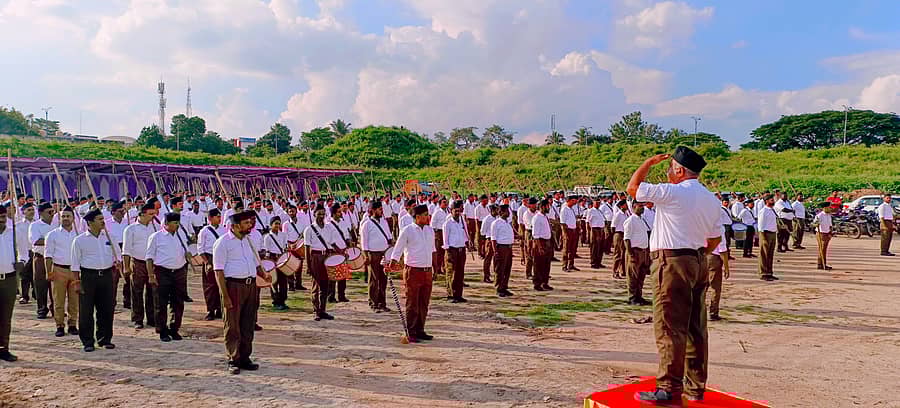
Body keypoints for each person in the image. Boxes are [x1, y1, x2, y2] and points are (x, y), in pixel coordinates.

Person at [627, 146, 721, 403]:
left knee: (670, 326)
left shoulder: (673, 192)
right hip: (698, 260)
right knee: (696, 328)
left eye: (670, 169)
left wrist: (647, 162)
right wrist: (696, 252)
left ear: (679, 170)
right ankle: (695, 387)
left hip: (671, 262)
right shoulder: (711, 198)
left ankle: (668, 388)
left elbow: (633, 189)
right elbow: (715, 238)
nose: (668, 172)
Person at [213, 210, 269, 375]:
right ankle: (233, 358)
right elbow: (219, 271)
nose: (250, 225)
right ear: (235, 226)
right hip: (233, 286)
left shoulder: (248, 240)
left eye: (250, 223)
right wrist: (225, 295)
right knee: (232, 325)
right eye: (246, 223)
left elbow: (254, 262)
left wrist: (263, 274)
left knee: (248, 323)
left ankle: (245, 357)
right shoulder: (222, 243)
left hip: (250, 286)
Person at [71, 209, 118, 352]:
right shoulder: (79, 240)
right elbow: (74, 264)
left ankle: (105, 339)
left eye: (103, 218)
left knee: (106, 309)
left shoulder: (109, 237)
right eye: (99, 219)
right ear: (90, 222)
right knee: (86, 310)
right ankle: (87, 341)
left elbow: (117, 256)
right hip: (88, 276)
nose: (103, 221)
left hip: (106, 275)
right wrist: (77, 282)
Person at [389, 205, 436, 343]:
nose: (428, 217)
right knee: (412, 302)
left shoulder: (430, 230)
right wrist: (392, 262)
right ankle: (411, 331)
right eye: (425, 215)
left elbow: (433, 250)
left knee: (424, 302)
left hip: (427, 270)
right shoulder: (408, 230)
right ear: (417, 217)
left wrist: (435, 267)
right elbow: (398, 249)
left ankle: (420, 329)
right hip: (413, 271)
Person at [147, 212, 189, 342]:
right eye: (174, 223)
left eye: (178, 223)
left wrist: (188, 255)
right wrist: (151, 275)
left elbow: (186, 251)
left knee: (178, 302)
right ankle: (162, 330)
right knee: (161, 302)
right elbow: (149, 258)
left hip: (179, 272)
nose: (177, 225)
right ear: (166, 224)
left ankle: (174, 328)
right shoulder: (156, 237)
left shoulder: (181, 235)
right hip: (162, 272)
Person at [304, 205, 345, 321]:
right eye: (319, 213)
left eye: (323, 213)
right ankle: (316, 310)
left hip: (327, 256)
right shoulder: (309, 229)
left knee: (325, 284)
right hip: (315, 257)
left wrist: (341, 252)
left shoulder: (328, 228)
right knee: (316, 286)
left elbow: (332, 243)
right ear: (314, 214)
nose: (321, 216)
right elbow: (307, 248)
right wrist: (308, 265)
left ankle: (323, 310)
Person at [44, 206, 80, 337]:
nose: (65, 218)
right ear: (59, 218)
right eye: (63, 216)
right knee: (58, 300)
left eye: (68, 216)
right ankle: (59, 325)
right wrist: (49, 272)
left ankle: (72, 324)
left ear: (73, 218)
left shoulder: (78, 234)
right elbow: (47, 255)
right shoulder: (52, 234)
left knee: (74, 299)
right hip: (59, 269)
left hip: (75, 270)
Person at [122, 203, 158, 329]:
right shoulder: (130, 229)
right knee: (137, 291)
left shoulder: (155, 227)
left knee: (152, 291)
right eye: (151, 214)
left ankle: (152, 318)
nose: (153, 216)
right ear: (142, 214)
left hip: (152, 263)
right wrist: (126, 267)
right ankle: (137, 319)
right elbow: (126, 250)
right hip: (137, 262)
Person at [360, 201, 393, 312]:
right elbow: (364, 243)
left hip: (384, 253)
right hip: (373, 254)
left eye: (381, 208)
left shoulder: (384, 222)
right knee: (374, 279)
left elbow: (389, 237)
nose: (381, 210)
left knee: (383, 279)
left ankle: (382, 302)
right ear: (373, 210)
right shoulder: (366, 224)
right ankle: (373, 303)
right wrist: (366, 256)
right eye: (379, 209)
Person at [198, 208, 225, 320]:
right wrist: (206, 262)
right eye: (217, 217)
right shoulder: (204, 231)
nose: (219, 219)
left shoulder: (224, 230)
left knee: (221, 284)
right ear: (210, 218)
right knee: (210, 286)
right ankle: (210, 310)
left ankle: (220, 309)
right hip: (209, 258)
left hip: (221, 258)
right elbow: (200, 249)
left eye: (220, 216)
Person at [28, 203, 55, 319]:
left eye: (53, 212)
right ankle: (42, 309)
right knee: (40, 284)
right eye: (49, 212)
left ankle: (56, 308)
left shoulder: (56, 225)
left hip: (55, 259)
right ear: (41, 213)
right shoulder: (35, 225)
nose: (52, 214)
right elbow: (36, 240)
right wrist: (53, 240)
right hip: (40, 257)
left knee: (55, 286)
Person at [623, 202, 651, 306]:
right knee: (633, 276)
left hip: (643, 251)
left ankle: (639, 296)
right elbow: (627, 239)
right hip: (635, 251)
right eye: (640, 206)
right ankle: (632, 297)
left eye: (642, 206)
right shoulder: (630, 220)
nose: (642, 208)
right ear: (634, 207)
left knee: (641, 276)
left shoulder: (641, 220)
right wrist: (630, 254)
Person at [0, 205, 19, 362]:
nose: (1, 219)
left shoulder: (13, 232)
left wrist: (22, 262)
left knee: (6, 317)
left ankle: (3, 349)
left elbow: (24, 253)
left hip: (10, 279)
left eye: (3, 216)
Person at [105, 201, 131, 310]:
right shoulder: (107, 224)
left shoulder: (127, 222)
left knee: (128, 277)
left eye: (123, 211)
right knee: (113, 279)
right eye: (120, 211)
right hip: (113, 250)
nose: (123, 213)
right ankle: (111, 301)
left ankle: (128, 300)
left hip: (125, 249)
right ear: (113, 212)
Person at [442, 200, 469, 302]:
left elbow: (465, 236)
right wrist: (448, 251)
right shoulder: (447, 224)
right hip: (452, 250)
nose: (457, 213)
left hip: (461, 250)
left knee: (460, 273)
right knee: (451, 272)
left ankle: (458, 294)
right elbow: (445, 240)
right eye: (455, 211)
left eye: (459, 211)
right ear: (451, 211)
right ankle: (451, 295)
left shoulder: (462, 221)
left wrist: (467, 244)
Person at [263, 216, 289, 310]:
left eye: (279, 223)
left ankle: (282, 300)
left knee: (283, 280)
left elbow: (285, 247)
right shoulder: (267, 237)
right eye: (275, 223)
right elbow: (267, 251)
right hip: (272, 258)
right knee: (274, 281)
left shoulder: (283, 235)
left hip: (281, 257)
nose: (277, 225)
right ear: (271, 225)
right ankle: (276, 301)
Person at [490, 204, 514, 297]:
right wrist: (495, 251)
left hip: (508, 247)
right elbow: (493, 239)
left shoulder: (507, 222)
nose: (508, 213)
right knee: (500, 269)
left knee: (507, 268)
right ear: (501, 212)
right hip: (501, 248)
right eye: (506, 211)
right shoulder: (496, 223)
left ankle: (504, 287)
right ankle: (499, 288)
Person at [707, 225, 730, 321]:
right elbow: (722, 250)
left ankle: (697, 311)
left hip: (702, 256)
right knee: (715, 287)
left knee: (701, 286)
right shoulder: (718, 228)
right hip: (714, 257)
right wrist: (726, 267)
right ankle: (713, 312)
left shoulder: (703, 225)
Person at [531, 199, 553, 291]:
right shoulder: (537, 218)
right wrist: (539, 247)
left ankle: (545, 282)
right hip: (540, 242)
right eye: (547, 206)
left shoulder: (544, 217)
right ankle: (537, 283)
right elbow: (535, 235)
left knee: (546, 264)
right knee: (538, 264)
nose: (549, 208)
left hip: (547, 242)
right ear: (543, 207)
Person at [757, 194, 779, 281]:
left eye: (773, 199)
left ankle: (769, 272)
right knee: (764, 254)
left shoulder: (772, 210)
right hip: (765, 234)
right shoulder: (763, 211)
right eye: (771, 200)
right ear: (766, 201)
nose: (773, 201)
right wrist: (763, 237)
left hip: (773, 233)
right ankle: (763, 273)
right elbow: (760, 226)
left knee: (770, 254)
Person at [585, 199, 607, 269]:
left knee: (600, 247)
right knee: (594, 247)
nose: (598, 204)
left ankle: (599, 262)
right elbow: (587, 222)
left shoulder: (600, 211)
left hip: (601, 229)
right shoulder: (591, 211)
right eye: (596, 203)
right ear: (593, 203)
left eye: (599, 203)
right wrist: (588, 232)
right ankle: (593, 262)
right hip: (594, 229)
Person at [430, 198, 448, 279]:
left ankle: (444, 267)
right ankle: (437, 268)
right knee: (438, 251)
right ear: (440, 204)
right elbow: (432, 224)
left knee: (445, 251)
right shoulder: (437, 212)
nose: (445, 204)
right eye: (444, 202)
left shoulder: (448, 211)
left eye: (446, 202)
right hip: (439, 232)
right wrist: (435, 234)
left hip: (446, 232)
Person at [560, 195, 579, 272]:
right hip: (568, 231)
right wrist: (565, 234)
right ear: (570, 201)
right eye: (574, 200)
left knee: (572, 249)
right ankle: (564, 265)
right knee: (566, 249)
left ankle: (571, 265)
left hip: (573, 230)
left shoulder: (571, 209)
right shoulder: (564, 209)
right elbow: (562, 223)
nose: (575, 202)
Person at [611, 200, 629, 280]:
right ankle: (615, 271)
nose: (627, 206)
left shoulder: (626, 214)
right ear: (621, 206)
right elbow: (613, 226)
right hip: (619, 234)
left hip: (624, 234)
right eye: (625, 205)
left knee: (624, 254)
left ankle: (623, 271)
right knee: (618, 254)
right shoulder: (618, 215)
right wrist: (615, 235)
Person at [814, 202, 834, 270]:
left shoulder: (829, 215)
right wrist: (816, 224)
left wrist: (831, 233)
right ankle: (820, 264)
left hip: (827, 233)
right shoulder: (819, 215)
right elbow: (814, 224)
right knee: (822, 249)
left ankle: (823, 264)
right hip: (821, 233)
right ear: (825, 208)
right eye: (829, 207)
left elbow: (830, 225)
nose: (830, 208)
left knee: (824, 249)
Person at [479, 205, 497, 282]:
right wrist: (484, 244)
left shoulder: (497, 218)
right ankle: (486, 276)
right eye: (496, 210)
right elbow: (482, 232)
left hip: (497, 240)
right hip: (489, 239)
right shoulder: (487, 219)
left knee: (497, 258)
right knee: (488, 258)